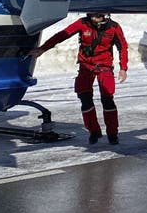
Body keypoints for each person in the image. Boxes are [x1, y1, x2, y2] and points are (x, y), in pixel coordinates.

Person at [28, 12, 128, 144]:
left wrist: (123, 68)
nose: (94, 19)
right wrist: (43, 48)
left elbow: (123, 47)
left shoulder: (113, 27)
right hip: (86, 66)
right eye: (91, 16)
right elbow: (62, 35)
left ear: (104, 15)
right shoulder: (82, 23)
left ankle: (112, 133)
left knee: (107, 99)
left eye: (97, 16)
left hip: (104, 66)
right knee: (85, 98)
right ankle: (93, 131)